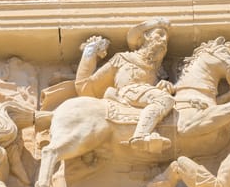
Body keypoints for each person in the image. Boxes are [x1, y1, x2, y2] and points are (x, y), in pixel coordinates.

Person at [75, 18, 175, 152]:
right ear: (145, 37)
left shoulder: (159, 70)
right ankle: (140, 136)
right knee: (165, 99)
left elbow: (157, 89)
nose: (164, 40)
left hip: (145, 97)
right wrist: (90, 52)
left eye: (166, 38)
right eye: (160, 34)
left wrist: (165, 85)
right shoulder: (122, 59)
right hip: (127, 94)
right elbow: (89, 84)